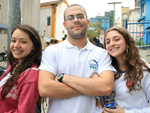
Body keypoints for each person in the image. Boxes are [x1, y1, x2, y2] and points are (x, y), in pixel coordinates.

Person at [38, 4, 116, 113]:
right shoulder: (52, 51)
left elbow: (106, 88)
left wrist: (62, 78)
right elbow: (44, 88)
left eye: (80, 16)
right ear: (65, 25)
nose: (76, 20)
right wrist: (92, 86)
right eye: (70, 17)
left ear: (88, 22)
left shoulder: (101, 53)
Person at [102, 27, 150, 113]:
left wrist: (125, 112)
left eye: (116, 39)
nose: (112, 44)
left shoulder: (142, 68)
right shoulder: (106, 70)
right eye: (108, 42)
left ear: (127, 43)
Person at [0, 24, 42, 113]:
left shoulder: (30, 75)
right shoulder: (14, 65)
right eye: (13, 40)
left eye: (23, 42)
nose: (16, 45)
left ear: (34, 46)